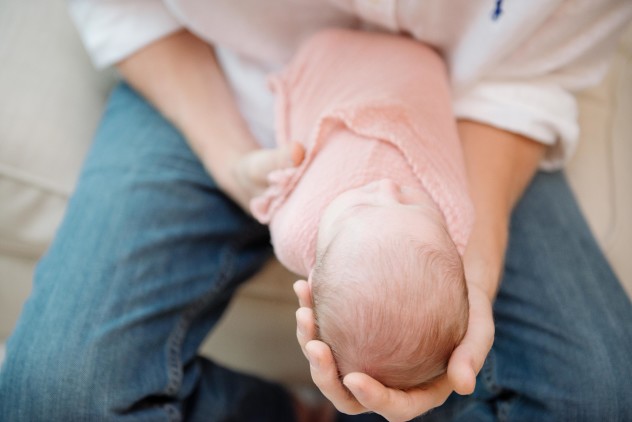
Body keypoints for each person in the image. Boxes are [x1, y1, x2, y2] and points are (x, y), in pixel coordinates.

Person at [1, 1, 631, 421]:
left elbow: (535, 70)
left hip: (457, 111)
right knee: (55, 397)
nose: (386, 193)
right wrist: (232, 158)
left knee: (597, 401)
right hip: (226, 73)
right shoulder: (302, 216)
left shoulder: (443, 212)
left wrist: (478, 262)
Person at [249, 28, 472, 390]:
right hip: (416, 68)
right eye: (411, 204)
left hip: (331, 60)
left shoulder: (299, 232)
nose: (386, 188)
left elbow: (269, 187)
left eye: (363, 207)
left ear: (316, 277)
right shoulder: (455, 218)